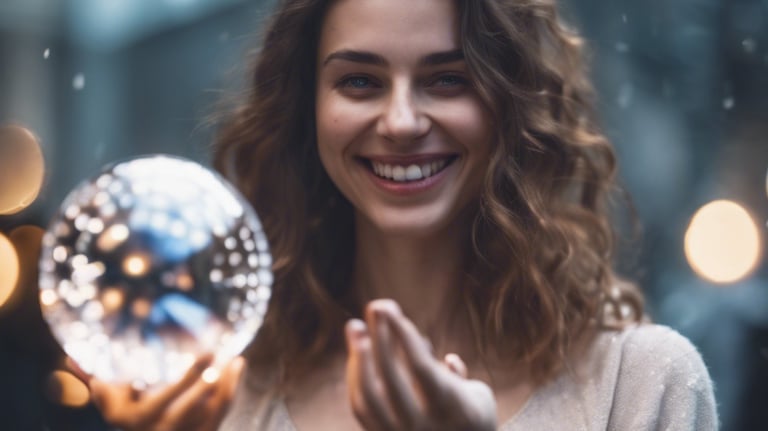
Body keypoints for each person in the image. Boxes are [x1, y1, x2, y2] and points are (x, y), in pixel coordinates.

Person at [86, 0, 718, 429]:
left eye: (448, 80)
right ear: (306, 107)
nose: (401, 122)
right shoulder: (227, 394)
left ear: (512, 104)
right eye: (359, 82)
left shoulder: (638, 385)